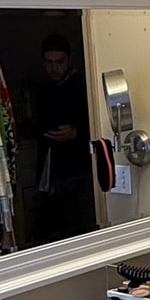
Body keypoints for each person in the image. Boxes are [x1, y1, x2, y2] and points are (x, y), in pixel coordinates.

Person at [30, 32, 96, 243]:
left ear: (69, 60)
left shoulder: (83, 86)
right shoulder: (42, 88)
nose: (54, 68)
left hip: (80, 167)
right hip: (51, 168)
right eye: (49, 62)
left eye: (59, 62)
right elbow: (35, 123)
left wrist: (76, 133)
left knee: (79, 225)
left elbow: (97, 126)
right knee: (53, 227)